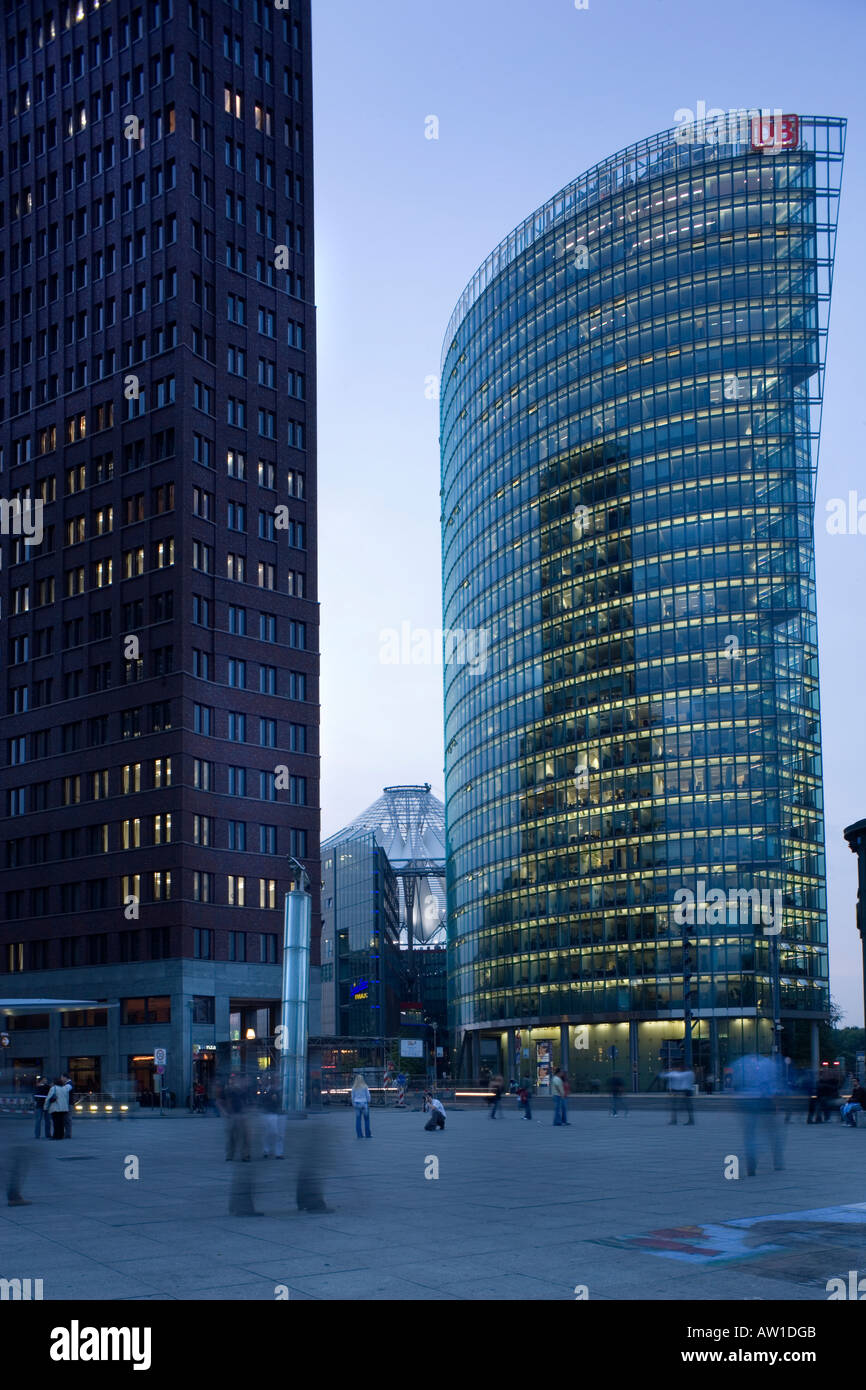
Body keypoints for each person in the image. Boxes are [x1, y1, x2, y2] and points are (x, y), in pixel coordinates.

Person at [729, 1053, 784, 1175]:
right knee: (772, 1132)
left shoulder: (740, 1062)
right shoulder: (768, 1064)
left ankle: (751, 1163)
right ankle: (777, 1162)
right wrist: (775, 1104)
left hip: (745, 1100)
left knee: (749, 1134)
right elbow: (769, 1085)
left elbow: (734, 1083)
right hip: (763, 1100)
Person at [261, 1085, 285, 1157]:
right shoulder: (268, 1089)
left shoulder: (283, 1088)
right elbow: (264, 1101)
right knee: (271, 1132)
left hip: (281, 1112)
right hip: (271, 1112)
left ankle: (279, 1153)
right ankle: (266, 1149)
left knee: (280, 1134)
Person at [351, 1073, 371, 1138]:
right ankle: (368, 1134)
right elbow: (368, 1095)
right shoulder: (365, 1086)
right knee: (366, 1120)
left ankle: (359, 1135)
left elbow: (352, 1096)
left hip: (357, 1103)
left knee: (358, 1120)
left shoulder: (354, 1087)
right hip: (364, 1104)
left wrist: (353, 1103)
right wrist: (368, 1101)